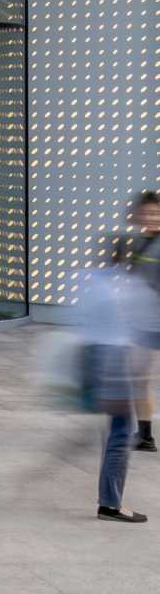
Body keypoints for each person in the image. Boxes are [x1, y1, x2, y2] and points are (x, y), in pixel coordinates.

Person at [78, 244, 146, 522]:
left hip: (97, 356)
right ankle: (110, 504)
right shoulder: (119, 289)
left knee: (116, 430)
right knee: (122, 431)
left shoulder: (94, 282)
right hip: (113, 359)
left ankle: (109, 499)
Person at [125, 191, 160, 451]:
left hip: (154, 323)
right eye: (147, 213)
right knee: (140, 378)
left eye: (156, 213)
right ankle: (145, 436)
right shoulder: (139, 243)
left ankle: (146, 436)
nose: (152, 217)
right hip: (144, 323)